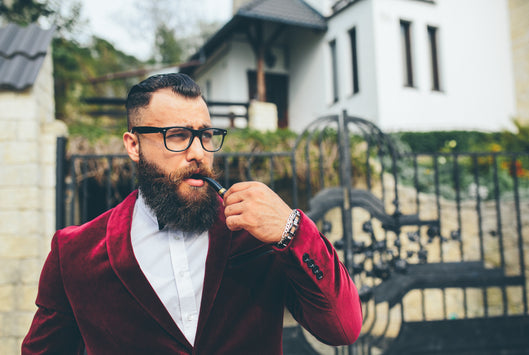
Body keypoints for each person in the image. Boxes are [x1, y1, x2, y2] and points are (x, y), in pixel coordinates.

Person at [22, 73, 362, 354]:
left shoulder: (256, 233)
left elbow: (344, 328)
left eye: (206, 135)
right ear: (133, 145)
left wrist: (293, 230)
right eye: (178, 136)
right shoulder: (75, 252)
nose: (198, 152)